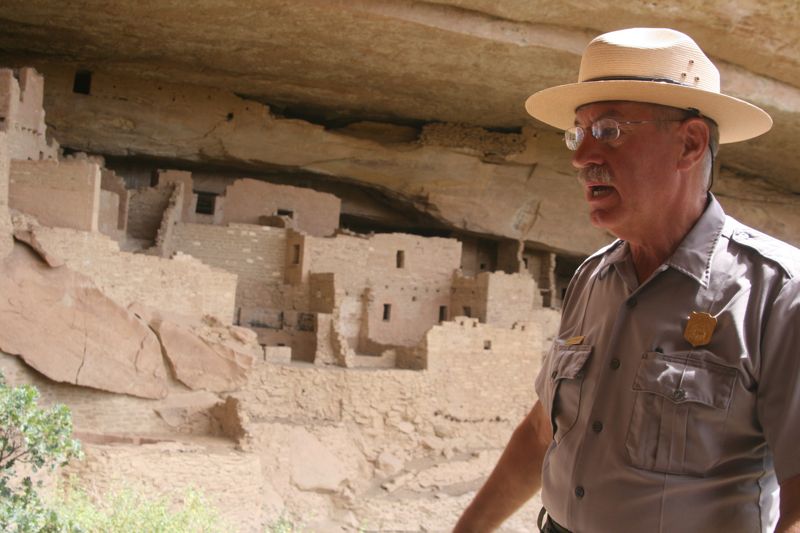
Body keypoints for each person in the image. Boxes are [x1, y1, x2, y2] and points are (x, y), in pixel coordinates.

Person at [454, 27, 800, 533]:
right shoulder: (593, 278)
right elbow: (542, 432)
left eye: (610, 130)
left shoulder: (775, 293)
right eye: (578, 133)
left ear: (689, 142)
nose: (580, 157)